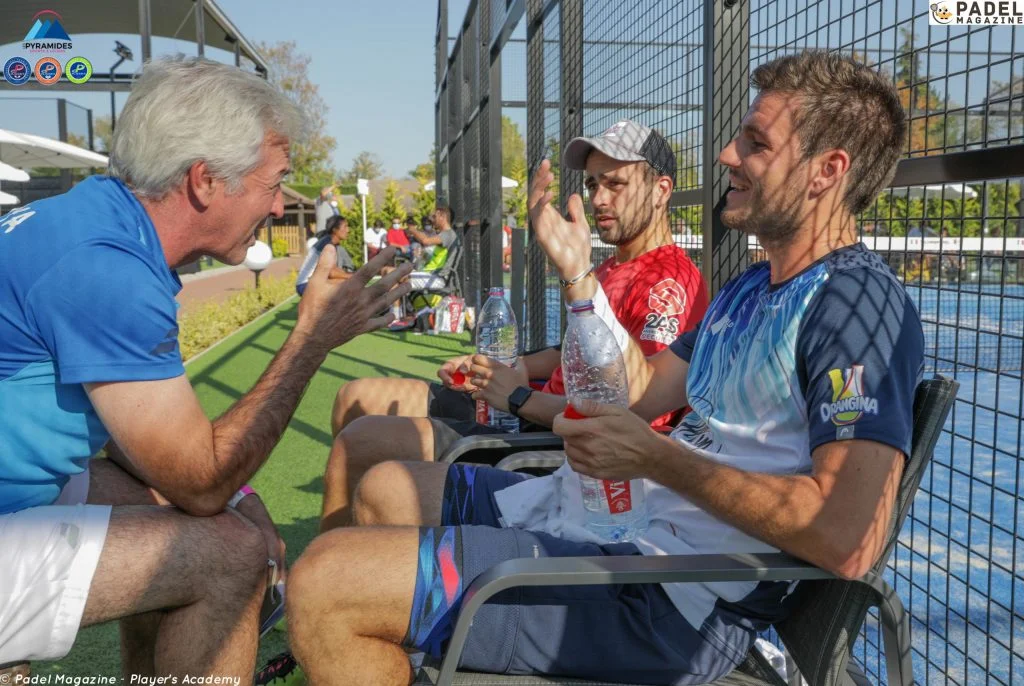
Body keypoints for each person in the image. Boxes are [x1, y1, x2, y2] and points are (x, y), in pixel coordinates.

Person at [283, 52, 924, 685]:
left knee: (326, 583)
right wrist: (579, 276)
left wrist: (656, 459)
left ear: (826, 171)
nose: (727, 155)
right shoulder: (749, 289)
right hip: (616, 529)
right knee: (385, 487)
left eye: (755, 142)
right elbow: (640, 391)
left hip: (668, 601)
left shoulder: (855, 305)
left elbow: (847, 535)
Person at [0, 56, 411, 677]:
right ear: (204, 181)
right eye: (273, 183)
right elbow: (201, 478)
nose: (278, 208)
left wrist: (238, 496)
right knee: (229, 554)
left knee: (180, 511)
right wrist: (311, 338)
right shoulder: (107, 270)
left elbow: (149, 443)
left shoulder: (93, 220)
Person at [318, 122, 707, 531]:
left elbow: (635, 411)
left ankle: (333, 567)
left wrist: (518, 398)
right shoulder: (613, 264)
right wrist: (512, 368)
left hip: (549, 448)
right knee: (353, 397)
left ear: (661, 191)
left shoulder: (667, 283)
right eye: (593, 185)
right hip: (527, 414)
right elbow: (574, 351)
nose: (599, 199)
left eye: (615, 184)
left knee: (359, 443)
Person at [295, 215, 357, 296]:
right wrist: (353, 276)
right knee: (346, 283)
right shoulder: (327, 245)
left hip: (310, 282)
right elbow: (332, 273)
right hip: (305, 285)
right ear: (335, 230)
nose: (348, 230)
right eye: (345, 227)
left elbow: (334, 269)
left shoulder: (329, 241)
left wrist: (352, 274)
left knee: (347, 281)